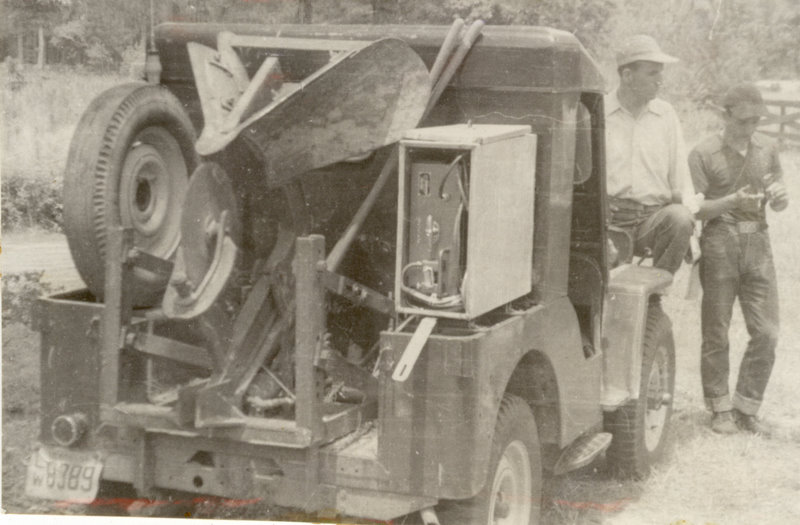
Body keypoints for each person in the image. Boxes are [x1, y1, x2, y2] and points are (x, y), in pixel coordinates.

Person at [688, 83, 788, 435]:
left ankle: (747, 406)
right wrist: (732, 200)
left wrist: (779, 197)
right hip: (719, 242)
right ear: (725, 114)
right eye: (743, 120)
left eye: (756, 121)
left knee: (767, 332)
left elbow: (779, 201)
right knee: (716, 330)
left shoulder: (767, 148)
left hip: (758, 243)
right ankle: (719, 407)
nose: (750, 128)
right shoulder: (703, 153)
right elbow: (696, 211)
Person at [606, 35, 697, 274]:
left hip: (651, 219)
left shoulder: (665, 115)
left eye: (661, 73)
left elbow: (681, 178)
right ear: (627, 75)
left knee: (679, 218)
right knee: (607, 292)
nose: (661, 81)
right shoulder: (599, 113)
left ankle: (655, 294)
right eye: (653, 73)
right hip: (608, 221)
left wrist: (691, 227)